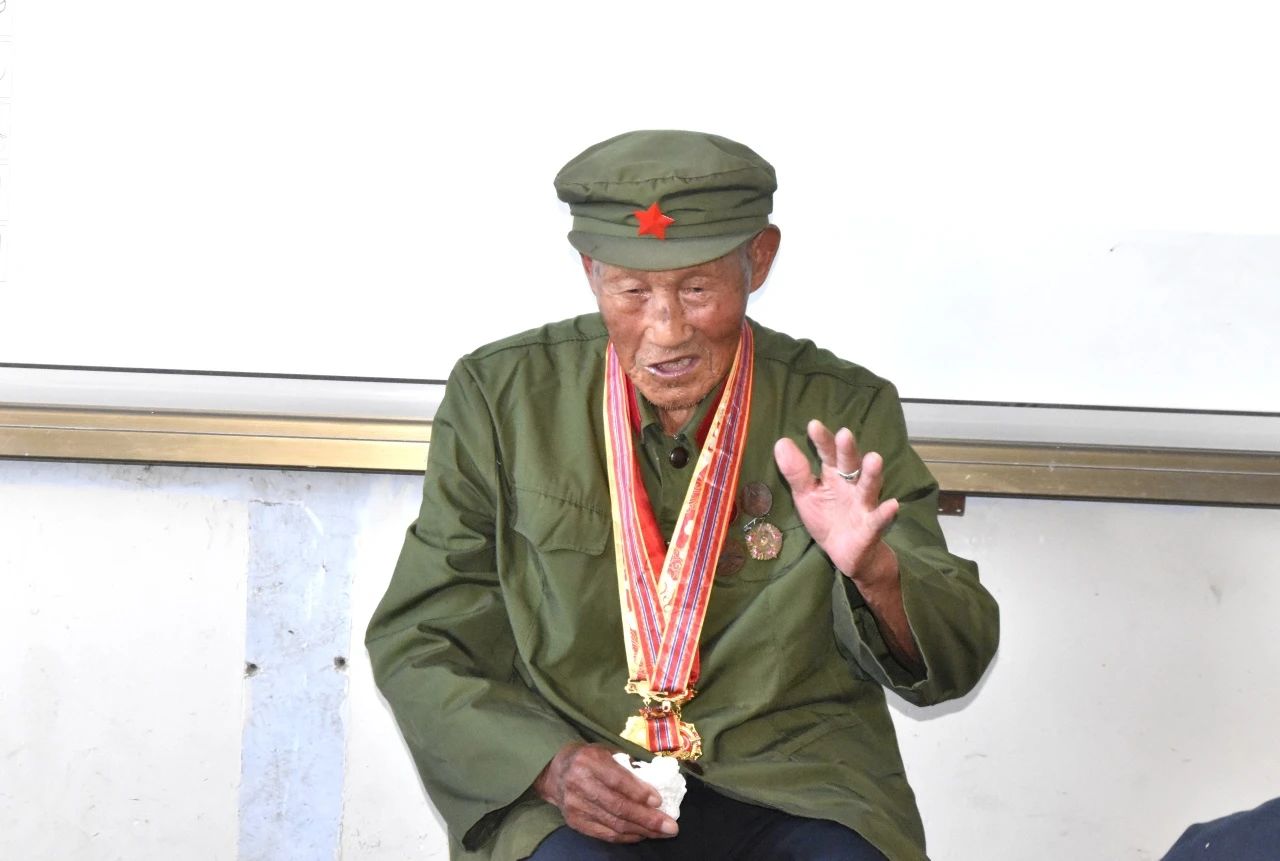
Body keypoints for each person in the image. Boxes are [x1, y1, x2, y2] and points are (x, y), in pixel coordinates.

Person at [367, 130, 1000, 861]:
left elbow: (955, 661)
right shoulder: (501, 397)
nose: (665, 330)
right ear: (590, 271)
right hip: (581, 771)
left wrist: (877, 573)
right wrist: (547, 766)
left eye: (697, 290)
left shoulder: (842, 408)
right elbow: (423, 636)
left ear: (759, 259)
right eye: (632, 291)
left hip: (798, 777)